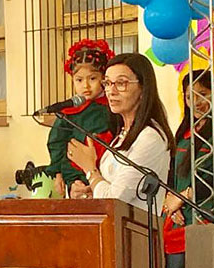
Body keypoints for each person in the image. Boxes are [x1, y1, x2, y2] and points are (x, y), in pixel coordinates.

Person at [67, 53, 174, 210]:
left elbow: (115, 200)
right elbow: (114, 188)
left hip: (137, 232)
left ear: (143, 88)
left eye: (121, 83)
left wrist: (90, 170)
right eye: (108, 83)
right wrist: (89, 190)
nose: (111, 91)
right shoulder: (121, 135)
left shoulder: (150, 137)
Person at [163, 71, 214, 268]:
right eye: (191, 96)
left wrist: (186, 196)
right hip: (178, 222)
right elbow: (171, 173)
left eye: (203, 93)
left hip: (206, 219)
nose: (197, 101)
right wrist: (172, 202)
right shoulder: (183, 132)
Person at [46, 39, 115, 197]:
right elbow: (57, 141)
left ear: (104, 78)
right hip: (75, 174)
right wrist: (58, 174)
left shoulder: (112, 108)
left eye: (92, 79)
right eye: (79, 80)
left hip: (107, 173)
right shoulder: (69, 110)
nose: (86, 86)